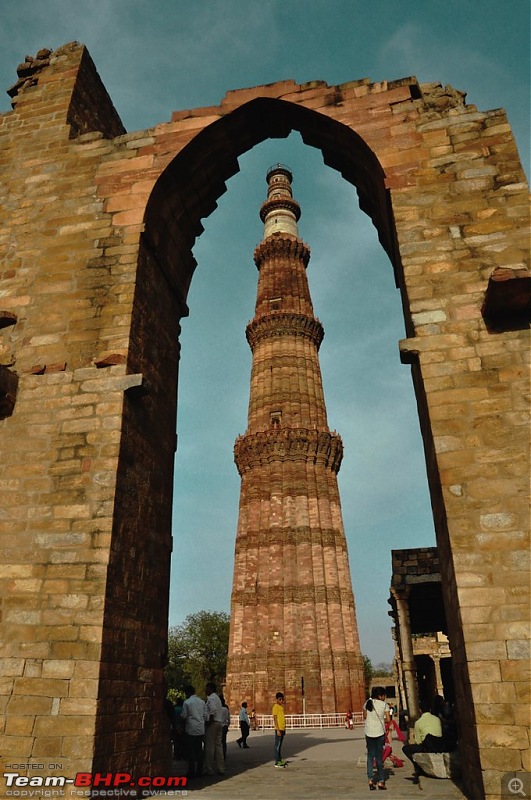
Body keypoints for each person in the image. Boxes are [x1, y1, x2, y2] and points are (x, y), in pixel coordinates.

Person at [402, 698, 444, 783]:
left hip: (427, 746)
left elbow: (418, 741)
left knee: (406, 749)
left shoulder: (418, 722)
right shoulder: (437, 719)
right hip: (440, 744)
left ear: (420, 710)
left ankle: (418, 767)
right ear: (430, 709)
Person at [364, 686, 390, 790]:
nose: (384, 697)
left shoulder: (367, 703)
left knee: (370, 756)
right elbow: (388, 719)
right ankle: (381, 781)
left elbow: (365, 716)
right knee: (379, 757)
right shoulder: (384, 705)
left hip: (368, 732)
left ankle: (370, 780)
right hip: (379, 732)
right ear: (380, 696)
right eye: (384, 695)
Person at [180, 685, 205, 779]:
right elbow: (205, 715)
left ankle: (191, 771)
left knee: (190, 750)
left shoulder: (187, 702)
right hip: (200, 728)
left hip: (191, 728)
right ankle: (200, 769)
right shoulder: (202, 702)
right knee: (199, 749)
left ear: (187, 693)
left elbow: (184, 716)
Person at [203, 682, 225, 775]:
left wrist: (209, 721)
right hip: (219, 722)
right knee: (218, 746)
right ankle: (220, 768)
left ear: (211, 689)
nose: (205, 690)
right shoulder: (217, 698)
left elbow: (213, 710)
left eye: (207, 688)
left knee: (209, 747)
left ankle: (209, 769)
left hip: (213, 723)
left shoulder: (211, 698)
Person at [272, 691, 286, 768]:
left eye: (282, 699)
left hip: (282, 728)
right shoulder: (275, 707)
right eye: (280, 699)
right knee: (277, 745)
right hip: (278, 728)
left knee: (280, 745)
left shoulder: (281, 707)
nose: (281, 701)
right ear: (277, 699)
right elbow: (275, 718)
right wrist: (277, 729)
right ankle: (277, 762)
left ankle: (280, 759)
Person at [220, 695, 230, 761]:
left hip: (219, 726)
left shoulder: (218, 709)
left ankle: (218, 755)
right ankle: (224, 755)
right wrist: (227, 725)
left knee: (218, 742)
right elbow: (228, 719)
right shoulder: (226, 709)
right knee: (224, 742)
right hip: (225, 726)